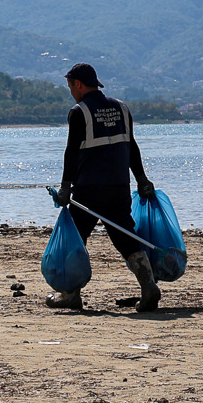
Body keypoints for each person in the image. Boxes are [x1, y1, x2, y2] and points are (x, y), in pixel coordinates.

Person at [48, 62, 159, 312]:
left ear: (78, 84)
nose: (70, 92)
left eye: (70, 87)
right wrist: (142, 179)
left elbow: (71, 153)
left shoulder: (79, 112)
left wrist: (65, 188)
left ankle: (71, 294)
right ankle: (148, 285)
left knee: (75, 241)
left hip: (89, 190)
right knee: (125, 237)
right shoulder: (122, 108)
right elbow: (132, 147)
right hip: (119, 187)